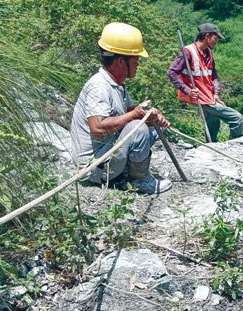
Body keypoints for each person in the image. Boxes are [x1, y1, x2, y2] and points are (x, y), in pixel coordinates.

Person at [71, 22, 172, 194]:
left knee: (151, 129)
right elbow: (97, 127)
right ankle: (139, 181)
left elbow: (129, 110)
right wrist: (136, 115)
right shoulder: (99, 87)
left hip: (106, 156)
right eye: (135, 60)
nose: (138, 64)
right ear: (119, 61)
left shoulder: (116, 85)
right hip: (93, 167)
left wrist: (151, 116)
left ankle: (125, 173)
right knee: (137, 129)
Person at [167, 23, 243, 142]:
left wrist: (216, 93)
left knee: (213, 125)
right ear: (207, 36)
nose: (216, 41)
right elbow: (172, 72)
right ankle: (234, 147)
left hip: (209, 96)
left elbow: (214, 76)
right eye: (215, 38)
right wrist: (188, 90)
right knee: (237, 118)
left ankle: (211, 149)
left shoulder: (208, 53)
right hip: (200, 97)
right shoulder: (188, 52)